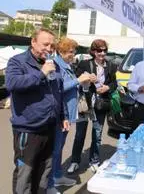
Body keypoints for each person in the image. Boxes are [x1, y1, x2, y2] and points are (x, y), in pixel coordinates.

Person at [5, 28, 69, 194]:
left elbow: (59, 92)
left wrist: (63, 116)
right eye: (45, 44)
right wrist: (41, 74)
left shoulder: (53, 64)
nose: (49, 49)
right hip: (28, 129)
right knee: (25, 173)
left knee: (44, 170)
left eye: (52, 45)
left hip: (50, 127)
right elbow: (13, 84)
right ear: (33, 42)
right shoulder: (17, 61)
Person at [47, 38, 91, 194]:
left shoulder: (66, 65)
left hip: (67, 114)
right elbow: (58, 88)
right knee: (55, 150)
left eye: (74, 51)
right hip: (60, 113)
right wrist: (78, 80)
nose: (73, 54)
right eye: (71, 52)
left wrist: (83, 83)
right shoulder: (56, 65)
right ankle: (50, 184)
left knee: (59, 148)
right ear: (61, 52)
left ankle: (58, 176)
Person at [67, 39, 117, 174]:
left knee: (97, 134)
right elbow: (76, 79)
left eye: (104, 50)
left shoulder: (111, 66)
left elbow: (114, 84)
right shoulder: (85, 63)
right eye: (99, 50)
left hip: (101, 104)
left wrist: (107, 87)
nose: (102, 53)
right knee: (79, 134)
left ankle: (94, 161)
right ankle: (75, 161)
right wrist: (88, 79)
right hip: (85, 103)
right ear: (93, 51)